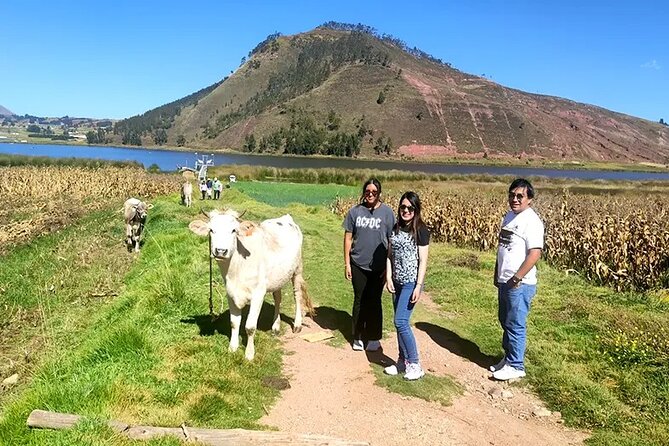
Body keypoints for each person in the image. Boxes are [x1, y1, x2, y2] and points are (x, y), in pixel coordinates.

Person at [491, 178, 544, 381]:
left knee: (516, 323)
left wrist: (517, 277)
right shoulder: (509, 216)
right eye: (512, 195)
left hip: (519, 283)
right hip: (505, 279)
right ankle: (508, 358)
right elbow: (503, 248)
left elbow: (535, 253)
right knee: (505, 320)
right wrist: (498, 273)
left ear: (529, 199)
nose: (515, 199)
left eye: (520, 196)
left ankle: (516, 365)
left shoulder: (532, 221)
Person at [343, 178, 395, 352]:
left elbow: (391, 241)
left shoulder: (387, 213)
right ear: (364, 193)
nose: (370, 194)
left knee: (374, 300)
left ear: (379, 193)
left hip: (379, 266)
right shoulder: (355, 212)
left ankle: (373, 337)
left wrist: (389, 268)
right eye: (367, 191)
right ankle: (357, 336)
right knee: (359, 299)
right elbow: (348, 237)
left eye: (374, 192)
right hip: (358, 263)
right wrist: (347, 264)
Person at [384, 191, 430, 380]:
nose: (406, 211)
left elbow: (423, 260)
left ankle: (415, 364)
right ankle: (402, 361)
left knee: (401, 321)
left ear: (416, 209)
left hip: (411, 282)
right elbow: (389, 255)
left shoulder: (421, 230)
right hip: (397, 281)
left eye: (410, 208)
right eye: (403, 207)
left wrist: (418, 286)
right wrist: (388, 276)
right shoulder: (395, 228)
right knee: (398, 323)